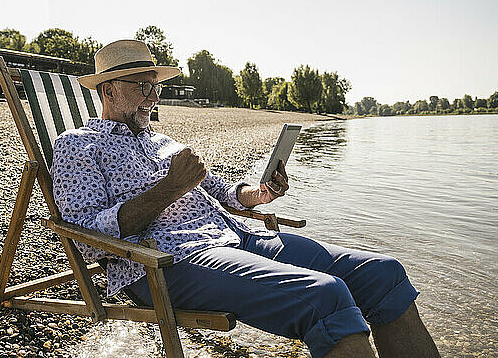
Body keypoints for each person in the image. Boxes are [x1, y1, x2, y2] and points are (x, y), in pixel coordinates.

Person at [50, 40, 439, 358]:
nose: (153, 97)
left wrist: (260, 193)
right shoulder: (77, 146)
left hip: (235, 236)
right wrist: (170, 187)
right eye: (142, 86)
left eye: (156, 86)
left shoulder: (163, 142)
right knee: (326, 295)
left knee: (383, 273)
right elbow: (84, 235)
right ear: (108, 90)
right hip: (168, 261)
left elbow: (217, 189)